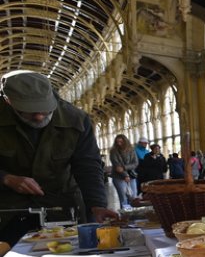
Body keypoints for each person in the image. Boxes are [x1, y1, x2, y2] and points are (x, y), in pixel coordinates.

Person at [0, 71, 117, 243]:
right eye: (28, 111)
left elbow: (88, 165)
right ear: (8, 101)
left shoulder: (76, 119)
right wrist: (5, 178)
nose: (39, 116)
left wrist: (97, 204)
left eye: (45, 109)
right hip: (9, 212)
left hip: (62, 208)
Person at [109, 134, 139, 209]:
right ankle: (126, 214)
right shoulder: (113, 151)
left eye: (121, 142)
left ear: (125, 141)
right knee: (123, 198)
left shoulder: (131, 150)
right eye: (117, 142)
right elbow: (117, 166)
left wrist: (124, 167)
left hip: (131, 176)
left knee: (133, 197)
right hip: (118, 177)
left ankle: (134, 214)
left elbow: (135, 163)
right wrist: (125, 175)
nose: (119, 143)